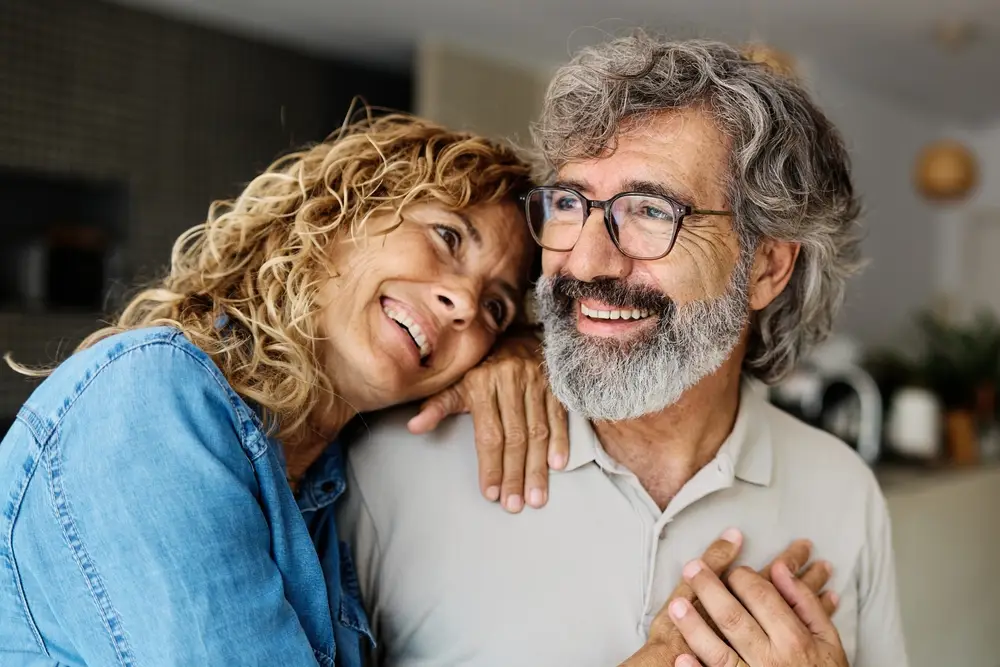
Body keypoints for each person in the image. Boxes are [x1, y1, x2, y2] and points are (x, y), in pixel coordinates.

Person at [336, 35, 909, 667]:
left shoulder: (844, 494)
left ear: (767, 268)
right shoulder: (396, 462)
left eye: (650, 210)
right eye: (569, 203)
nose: (585, 259)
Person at [0, 114, 572, 667]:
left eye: (495, 307)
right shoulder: (153, 398)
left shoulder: (326, 484)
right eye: (447, 236)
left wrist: (528, 350)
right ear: (338, 212)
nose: (466, 304)